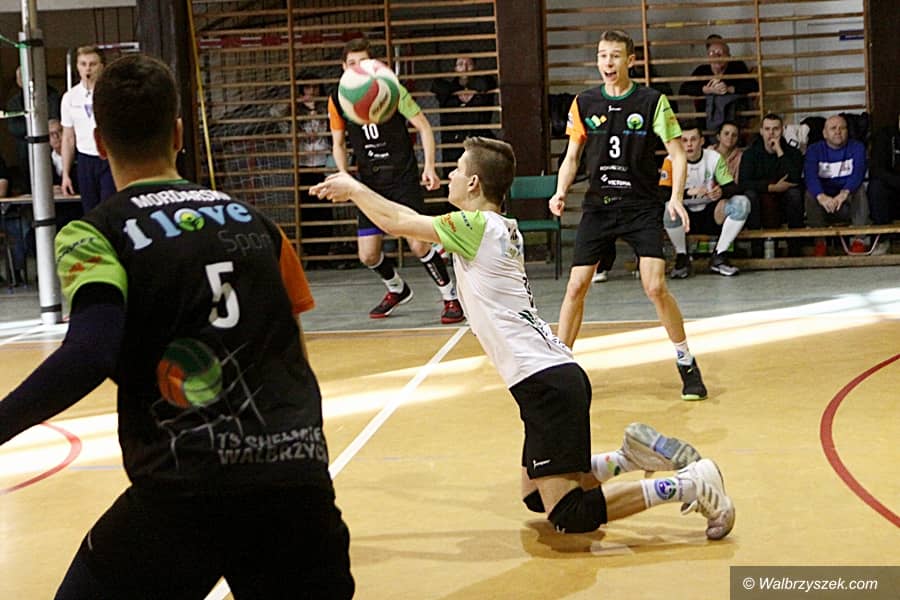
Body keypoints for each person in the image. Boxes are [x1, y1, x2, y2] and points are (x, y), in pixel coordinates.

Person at [0, 54, 354, 598]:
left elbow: (89, 352)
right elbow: (293, 357)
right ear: (180, 133)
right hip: (295, 482)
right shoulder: (262, 227)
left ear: (99, 140)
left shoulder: (96, 234)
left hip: (183, 487)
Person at [311, 136, 735, 541]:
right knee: (535, 495)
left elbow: (397, 221)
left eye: (457, 170)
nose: (450, 176)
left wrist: (353, 187)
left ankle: (690, 484)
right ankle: (627, 458)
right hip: (552, 375)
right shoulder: (497, 226)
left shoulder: (475, 225)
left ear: (473, 183)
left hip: (545, 383)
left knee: (569, 512)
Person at [550, 30, 708, 401]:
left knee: (654, 286)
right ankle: (558, 367)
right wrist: (560, 191)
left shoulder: (652, 101)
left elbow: (677, 153)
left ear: (630, 60)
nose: (608, 62)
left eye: (615, 55)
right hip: (599, 206)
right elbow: (572, 157)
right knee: (576, 285)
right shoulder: (584, 103)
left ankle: (686, 361)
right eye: (602, 55)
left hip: (641, 206)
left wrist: (676, 197)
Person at [329, 36, 464, 324]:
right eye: (352, 63)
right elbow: (338, 143)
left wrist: (429, 167)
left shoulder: (391, 89)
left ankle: (450, 296)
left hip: (402, 177)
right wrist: (344, 175)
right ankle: (396, 288)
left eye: (364, 62)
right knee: (368, 255)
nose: (358, 68)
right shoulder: (338, 98)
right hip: (369, 182)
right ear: (343, 67)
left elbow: (424, 127)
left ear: (374, 65)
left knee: (418, 244)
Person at [661, 122, 750, 278]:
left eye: (693, 139)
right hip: (684, 218)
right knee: (668, 207)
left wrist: (721, 192)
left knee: (742, 203)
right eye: (684, 140)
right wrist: (687, 193)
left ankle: (719, 255)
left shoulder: (714, 158)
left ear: (702, 141)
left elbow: (732, 187)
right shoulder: (670, 160)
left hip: (711, 215)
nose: (689, 144)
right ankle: (682, 257)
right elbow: (661, 193)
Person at [60, 45, 115, 213]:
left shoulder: (111, 93)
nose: (88, 69)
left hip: (109, 156)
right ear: (77, 67)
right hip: (85, 158)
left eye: (92, 64)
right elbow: (68, 137)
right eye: (83, 64)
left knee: (109, 207)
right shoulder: (70, 97)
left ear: (101, 66)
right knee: (90, 209)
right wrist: (65, 173)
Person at [803, 115, 869, 244]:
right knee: (810, 194)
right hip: (824, 205)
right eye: (833, 128)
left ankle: (859, 241)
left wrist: (844, 193)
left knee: (860, 190)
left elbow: (858, 173)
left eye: (842, 128)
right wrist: (821, 196)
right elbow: (810, 176)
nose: (838, 131)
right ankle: (820, 242)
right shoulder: (814, 150)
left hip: (847, 203)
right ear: (825, 133)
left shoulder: (857, 147)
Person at [431, 53, 497, 177]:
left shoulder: (484, 87)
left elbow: (488, 82)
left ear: (475, 67)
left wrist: (468, 88)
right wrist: (457, 90)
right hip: (454, 147)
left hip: (478, 144)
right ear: (455, 68)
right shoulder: (447, 92)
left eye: (469, 64)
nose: (465, 68)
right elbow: (436, 85)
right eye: (460, 64)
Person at [739, 113, 804, 234]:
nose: (771, 133)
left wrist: (779, 151)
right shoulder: (750, 154)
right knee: (750, 195)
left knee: (795, 193)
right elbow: (744, 183)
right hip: (761, 195)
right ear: (761, 131)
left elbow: (795, 179)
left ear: (782, 131)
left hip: (784, 197)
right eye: (767, 129)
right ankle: (756, 242)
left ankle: (795, 241)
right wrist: (771, 187)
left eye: (775, 129)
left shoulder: (793, 152)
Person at [678, 35, 758, 131]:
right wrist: (706, 90)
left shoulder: (737, 66)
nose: (716, 57)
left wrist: (729, 89)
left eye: (720, 53)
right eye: (712, 53)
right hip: (705, 122)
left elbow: (753, 85)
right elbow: (684, 89)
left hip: (734, 122)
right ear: (708, 57)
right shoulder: (702, 70)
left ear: (728, 56)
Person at [6, 65, 61, 193]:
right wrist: (38, 127)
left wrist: (37, 128)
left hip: (49, 144)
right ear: (18, 81)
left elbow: (54, 121)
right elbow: (14, 128)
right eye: (22, 78)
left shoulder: (52, 96)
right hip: (25, 148)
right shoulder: (14, 102)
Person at [868, 111, 900, 226]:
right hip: (892, 189)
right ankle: (883, 233)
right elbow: (877, 169)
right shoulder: (884, 135)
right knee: (876, 186)